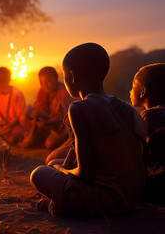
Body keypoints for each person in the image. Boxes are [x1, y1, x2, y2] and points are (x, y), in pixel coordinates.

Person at [30, 43, 147, 217]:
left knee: (39, 173)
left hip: (105, 200)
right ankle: (62, 199)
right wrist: (62, 166)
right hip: (134, 197)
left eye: (64, 74)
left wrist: (62, 170)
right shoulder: (129, 109)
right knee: (55, 163)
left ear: (72, 76)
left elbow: (85, 173)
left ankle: (62, 205)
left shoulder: (79, 109)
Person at [130, 63, 165, 202]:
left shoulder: (150, 116)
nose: (130, 91)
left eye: (133, 86)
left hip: (158, 188)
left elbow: (137, 156)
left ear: (143, 91)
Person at [21, 66, 73, 150]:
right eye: (41, 83)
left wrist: (48, 122)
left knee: (50, 144)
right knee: (23, 118)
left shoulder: (63, 92)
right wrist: (39, 120)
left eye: (48, 81)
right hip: (47, 125)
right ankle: (36, 138)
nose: (45, 86)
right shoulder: (42, 91)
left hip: (61, 127)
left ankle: (39, 140)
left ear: (56, 78)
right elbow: (37, 111)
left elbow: (67, 118)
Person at [0, 67, 26, 145]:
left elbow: (20, 116)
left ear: (9, 79)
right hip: (1, 126)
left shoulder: (17, 93)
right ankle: (4, 137)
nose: (1, 83)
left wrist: (8, 126)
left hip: (15, 126)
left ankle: (7, 138)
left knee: (14, 137)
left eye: (3, 80)